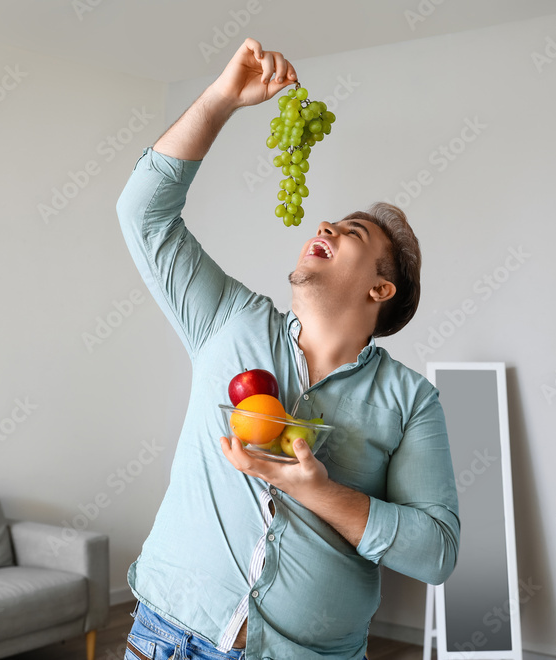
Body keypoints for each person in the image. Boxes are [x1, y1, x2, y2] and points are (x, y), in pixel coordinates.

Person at [116, 38, 460, 660]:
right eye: (327, 221)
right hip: (166, 636)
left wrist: (317, 490)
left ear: (381, 288)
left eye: (350, 231)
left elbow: (436, 552)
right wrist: (224, 97)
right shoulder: (229, 319)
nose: (322, 226)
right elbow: (143, 213)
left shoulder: (411, 402)